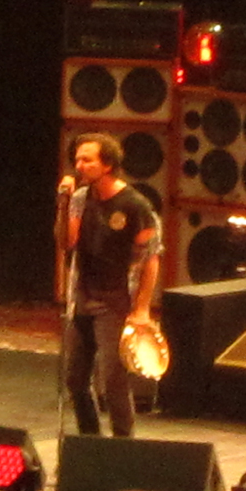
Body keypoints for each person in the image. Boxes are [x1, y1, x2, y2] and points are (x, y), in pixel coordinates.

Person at [57, 132, 162, 438]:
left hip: (115, 301)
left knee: (113, 379)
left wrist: (142, 309)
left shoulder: (134, 205)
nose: (79, 165)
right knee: (75, 379)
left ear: (107, 164)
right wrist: (63, 203)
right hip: (82, 297)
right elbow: (66, 241)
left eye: (87, 160)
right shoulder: (79, 199)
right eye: (77, 159)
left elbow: (151, 259)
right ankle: (90, 440)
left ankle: (123, 443)